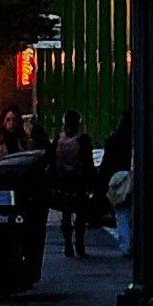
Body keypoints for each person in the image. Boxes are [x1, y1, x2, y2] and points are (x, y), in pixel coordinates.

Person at [52, 109, 96, 258]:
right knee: (80, 215)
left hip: (63, 182)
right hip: (79, 182)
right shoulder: (83, 139)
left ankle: (68, 245)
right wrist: (91, 182)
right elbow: (88, 162)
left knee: (66, 215)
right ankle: (79, 244)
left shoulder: (59, 139)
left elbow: (53, 162)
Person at [101, 108, 134, 256]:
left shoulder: (115, 139)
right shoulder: (142, 136)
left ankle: (126, 245)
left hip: (120, 179)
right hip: (136, 177)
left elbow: (107, 164)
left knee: (122, 213)